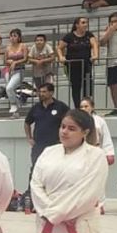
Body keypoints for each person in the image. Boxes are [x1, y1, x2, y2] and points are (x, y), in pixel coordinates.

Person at [23, 83, 70, 212]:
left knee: (56, 172)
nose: (41, 94)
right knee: (35, 172)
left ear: (51, 93)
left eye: (44, 92)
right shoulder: (36, 108)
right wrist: (29, 138)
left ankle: (56, 200)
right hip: (39, 146)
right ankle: (31, 202)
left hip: (56, 146)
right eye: (40, 91)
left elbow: (70, 122)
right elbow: (27, 122)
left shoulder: (61, 107)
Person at [57, 17, 99, 108]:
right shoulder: (69, 36)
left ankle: (88, 107)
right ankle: (77, 108)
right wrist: (61, 57)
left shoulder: (89, 35)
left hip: (86, 64)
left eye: (86, 22)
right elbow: (59, 48)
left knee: (87, 86)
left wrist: (95, 55)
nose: (85, 24)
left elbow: (94, 44)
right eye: (83, 22)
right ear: (77, 25)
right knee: (76, 87)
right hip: (73, 66)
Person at [4, 29, 28, 118]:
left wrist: (15, 62)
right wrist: (9, 61)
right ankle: (16, 112)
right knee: (10, 90)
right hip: (10, 70)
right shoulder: (7, 48)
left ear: (19, 37)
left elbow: (25, 58)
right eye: (11, 36)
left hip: (20, 69)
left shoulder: (23, 46)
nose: (12, 38)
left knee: (9, 88)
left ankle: (14, 104)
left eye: (15, 36)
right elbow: (5, 60)